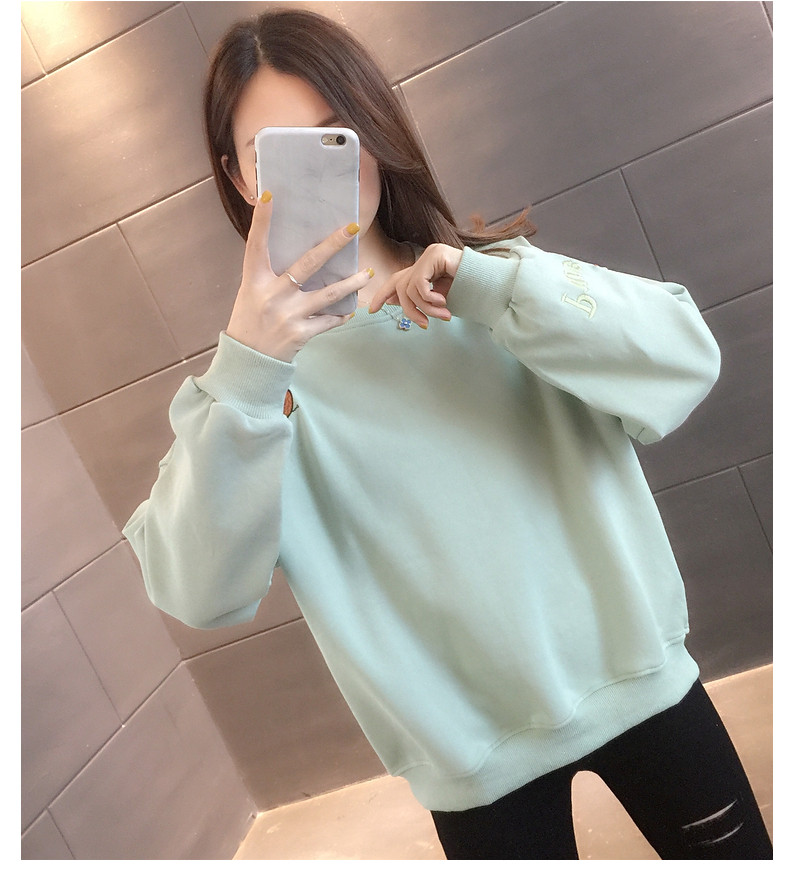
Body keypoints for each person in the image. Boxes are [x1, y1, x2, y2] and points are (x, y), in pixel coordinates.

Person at [123, 8, 772, 860]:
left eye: (338, 134)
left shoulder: (498, 288)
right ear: (239, 177)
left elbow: (685, 360)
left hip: (649, 694)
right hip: (472, 773)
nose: (324, 168)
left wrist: (492, 291)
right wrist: (250, 370)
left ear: (377, 125)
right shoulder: (245, 395)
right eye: (277, 152)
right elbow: (196, 590)